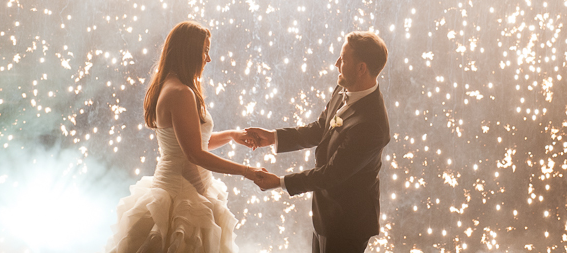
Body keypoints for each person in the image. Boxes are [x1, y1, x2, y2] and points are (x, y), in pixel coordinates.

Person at [106, 21, 261, 253]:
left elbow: (191, 143)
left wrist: (231, 136)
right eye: (205, 50)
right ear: (189, 51)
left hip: (185, 190)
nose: (208, 59)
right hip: (182, 196)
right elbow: (195, 154)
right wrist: (248, 172)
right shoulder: (181, 92)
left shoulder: (172, 85)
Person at [247, 31, 391, 253]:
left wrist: (279, 182)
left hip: (348, 224)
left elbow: (331, 174)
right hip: (326, 215)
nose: (336, 63)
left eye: (343, 59)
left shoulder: (372, 126)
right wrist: (273, 137)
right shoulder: (345, 87)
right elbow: (320, 128)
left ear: (361, 68)